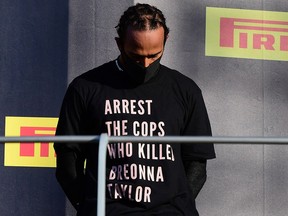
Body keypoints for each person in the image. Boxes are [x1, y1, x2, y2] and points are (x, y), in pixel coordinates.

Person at [54, 3, 216, 216]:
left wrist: (179, 207)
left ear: (165, 40)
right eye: (136, 57)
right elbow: (68, 161)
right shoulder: (85, 87)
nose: (146, 64)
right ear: (120, 44)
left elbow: (197, 162)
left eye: (155, 55)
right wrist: (90, 207)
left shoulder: (186, 90)